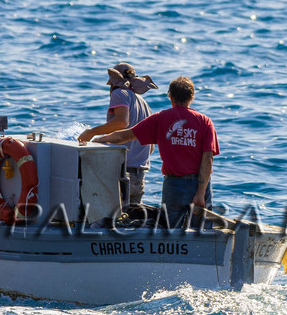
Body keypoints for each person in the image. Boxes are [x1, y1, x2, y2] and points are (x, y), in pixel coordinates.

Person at [93, 76, 217, 225]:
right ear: (192, 97)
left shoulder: (160, 119)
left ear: (170, 96)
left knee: (171, 231)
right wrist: (200, 193)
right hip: (200, 184)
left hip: (174, 185)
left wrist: (97, 138)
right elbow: (207, 159)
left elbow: (125, 135)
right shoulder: (205, 122)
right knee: (203, 233)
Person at [77, 62, 156, 206]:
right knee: (132, 221)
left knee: (108, 220)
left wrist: (92, 133)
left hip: (121, 172)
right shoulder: (144, 104)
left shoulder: (119, 93)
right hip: (139, 175)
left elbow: (121, 122)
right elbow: (150, 147)